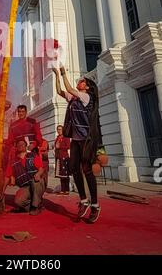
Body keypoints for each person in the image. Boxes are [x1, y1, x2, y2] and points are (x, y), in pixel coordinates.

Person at [53, 66, 102, 223]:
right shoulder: (74, 98)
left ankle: (95, 205)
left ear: (86, 86)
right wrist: (56, 76)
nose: (79, 82)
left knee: (87, 171)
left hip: (87, 140)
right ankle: (83, 201)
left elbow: (69, 88)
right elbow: (61, 91)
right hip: (75, 140)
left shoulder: (86, 97)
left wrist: (63, 73)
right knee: (74, 169)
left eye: (81, 81)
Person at [3, 137, 45, 215]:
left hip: (37, 183)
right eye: (18, 145)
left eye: (22, 144)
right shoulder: (13, 161)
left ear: (26, 145)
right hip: (25, 187)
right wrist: (2, 192)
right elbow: (7, 176)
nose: (20, 146)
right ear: (16, 147)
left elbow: (41, 169)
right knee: (18, 201)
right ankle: (35, 205)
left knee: (35, 182)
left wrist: (38, 174)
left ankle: (35, 207)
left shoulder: (33, 155)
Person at [54, 125, 70, 195]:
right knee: (61, 174)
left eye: (60, 129)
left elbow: (68, 146)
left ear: (63, 130)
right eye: (58, 129)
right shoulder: (57, 138)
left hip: (64, 157)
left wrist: (60, 146)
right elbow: (56, 146)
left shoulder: (66, 137)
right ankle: (62, 189)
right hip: (58, 157)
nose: (59, 131)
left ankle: (67, 190)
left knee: (65, 174)